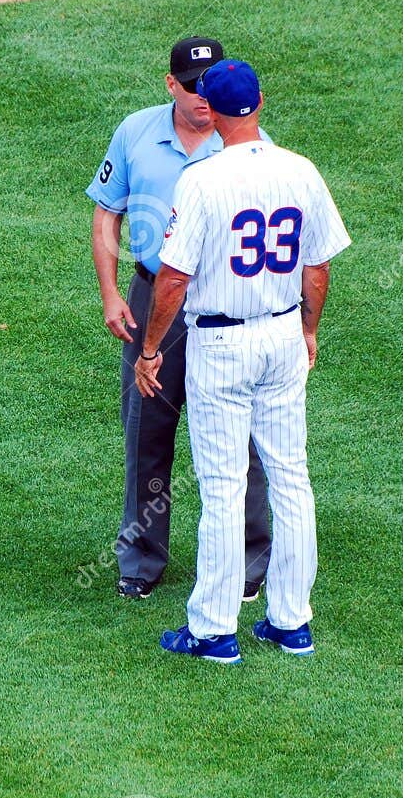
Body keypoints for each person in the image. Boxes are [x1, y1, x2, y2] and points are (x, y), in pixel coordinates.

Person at [135, 59, 350, 663]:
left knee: (224, 488)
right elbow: (319, 265)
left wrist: (150, 349)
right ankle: (290, 621)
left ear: (214, 109)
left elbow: (173, 279)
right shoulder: (300, 169)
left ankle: (213, 629)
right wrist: (308, 330)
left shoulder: (203, 180)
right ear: (259, 104)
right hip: (283, 336)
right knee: (291, 478)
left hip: (221, 346)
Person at [87, 37, 272, 602]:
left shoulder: (247, 144)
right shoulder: (136, 132)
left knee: (241, 440)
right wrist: (111, 294)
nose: (202, 98)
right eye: (192, 87)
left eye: (211, 87)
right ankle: (141, 561)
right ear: (171, 84)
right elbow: (105, 214)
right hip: (152, 299)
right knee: (147, 433)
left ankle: (249, 563)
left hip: (225, 306)